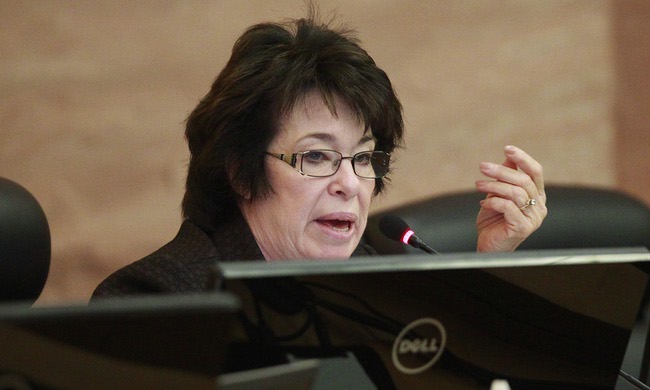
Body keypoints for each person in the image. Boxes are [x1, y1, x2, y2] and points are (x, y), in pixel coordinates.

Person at [92, 12, 547, 298]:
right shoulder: (157, 299)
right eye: (315, 158)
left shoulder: (380, 280)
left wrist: (492, 263)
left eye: (364, 158)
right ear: (241, 174)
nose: (349, 184)